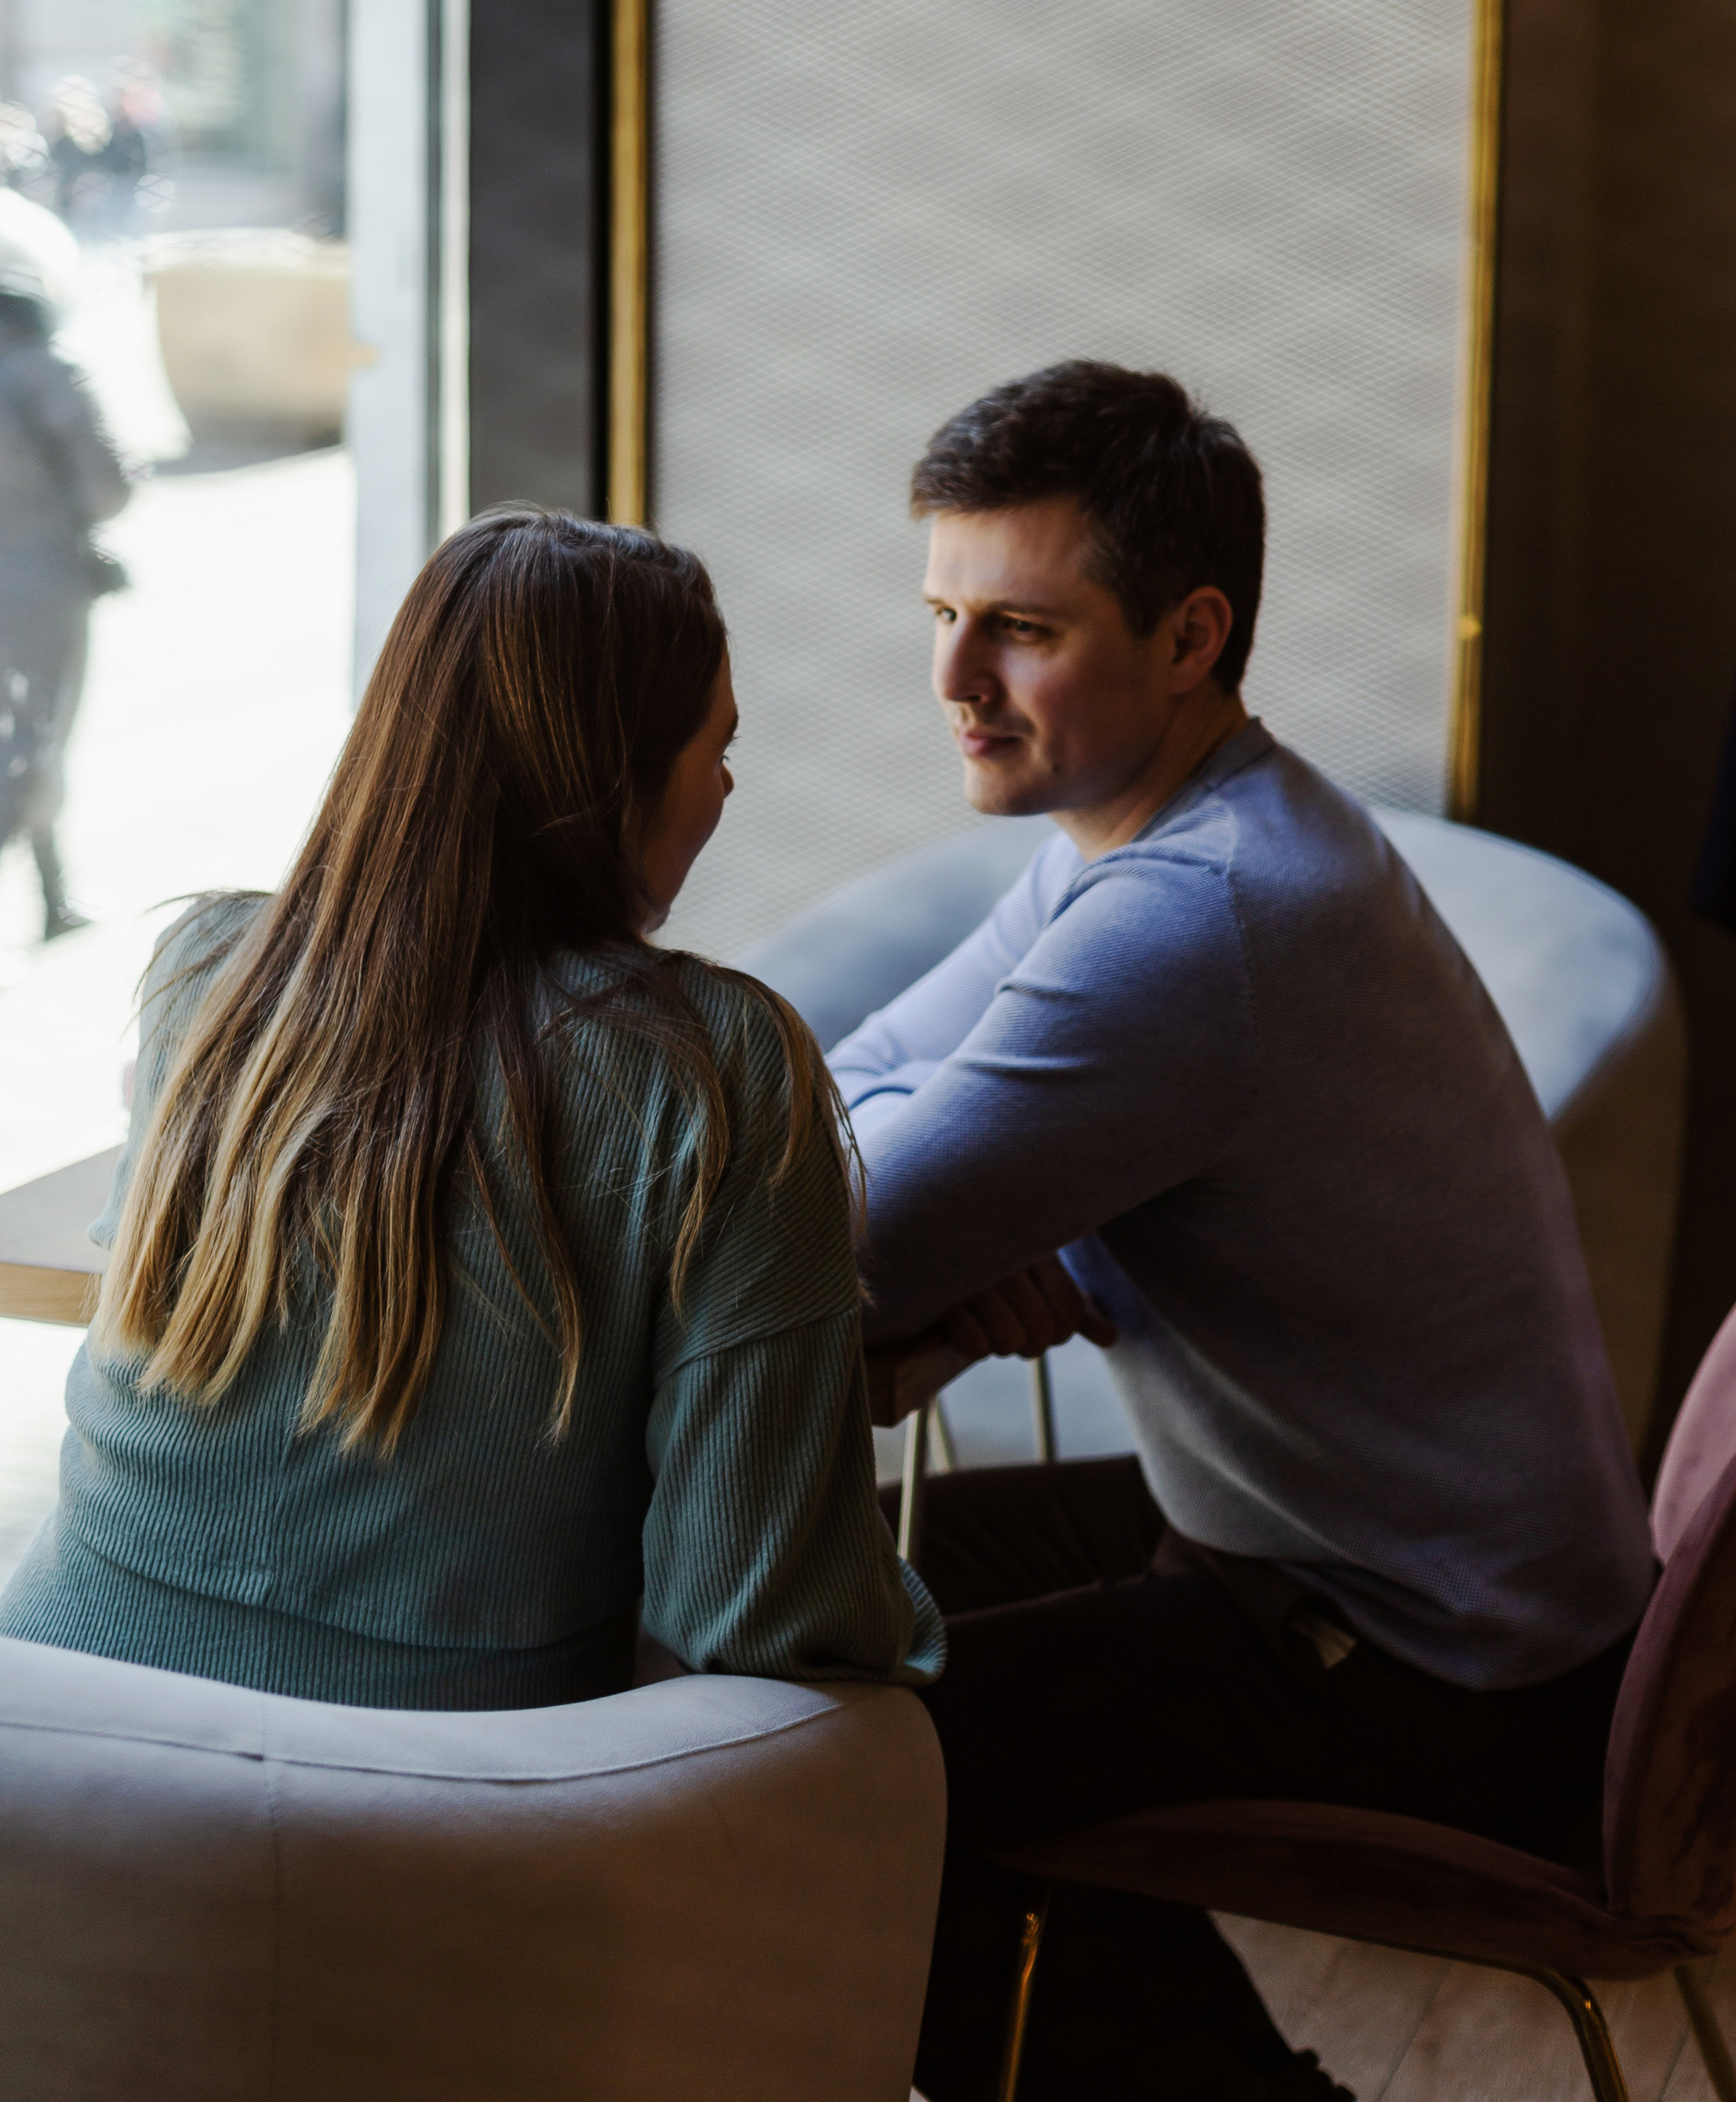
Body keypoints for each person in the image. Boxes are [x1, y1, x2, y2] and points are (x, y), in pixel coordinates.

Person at [832, 362, 1655, 2102]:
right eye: (941, 615)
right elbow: (859, 1081)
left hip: (1435, 1665)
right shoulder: (1150, 835)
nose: (953, 683)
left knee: (858, 1774)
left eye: (1018, 629)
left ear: (1189, 634)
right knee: (832, 1607)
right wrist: (1007, 1172)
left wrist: (989, 1198)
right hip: (1317, 1555)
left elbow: (842, 1242)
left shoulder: (1197, 916)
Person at [1, 511, 941, 1710]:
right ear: (619, 781)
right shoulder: (716, 1068)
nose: (727, 786)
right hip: (450, 1804)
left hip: (48, 1743)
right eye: (717, 747)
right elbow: (761, 1619)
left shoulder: (205, 977)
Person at [0, 202, 130, 941]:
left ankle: (55, 900)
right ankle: (51, 901)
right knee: (36, 734)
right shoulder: (44, 370)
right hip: (38, 595)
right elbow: (107, 489)